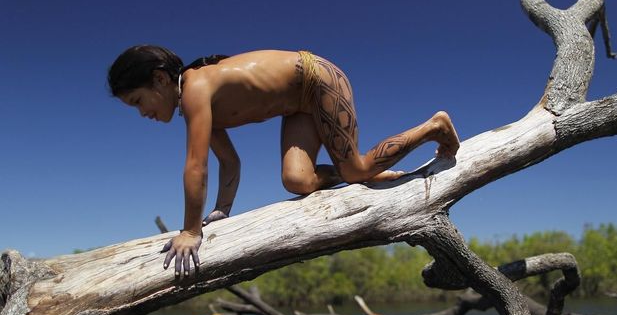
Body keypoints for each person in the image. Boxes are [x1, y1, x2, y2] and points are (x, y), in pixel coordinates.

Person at [108, 45, 460, 277]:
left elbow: (196, 167)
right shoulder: (193, 104)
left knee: (358, 169)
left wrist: (190, 231)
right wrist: (222, 210)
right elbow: (229, 163)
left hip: (317, 79)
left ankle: (434, 127)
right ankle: (354, 173)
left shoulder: (196, 88)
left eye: (139, 101)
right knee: (297, 181)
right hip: (298, 105)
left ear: (159, 79)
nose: (143, 113)